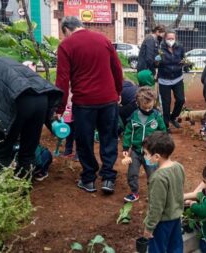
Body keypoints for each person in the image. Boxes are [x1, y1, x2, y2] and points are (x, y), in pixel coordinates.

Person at [55, 16, 123, 194]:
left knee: (84, 141)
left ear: (67, 30)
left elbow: (62, 79)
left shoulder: (66, 46)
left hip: (84, 102)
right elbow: (117, 68)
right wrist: (118, 92)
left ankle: (89, 180)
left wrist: (60, 108)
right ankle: (108, 178)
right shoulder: (103, 39)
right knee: (109, 137)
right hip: (108, 100)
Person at [122, 87, 166, 202]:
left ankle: (153, 193)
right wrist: (126, 147)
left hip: (151, 153)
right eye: (144, 107)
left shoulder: (156, 116)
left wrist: (160, 146)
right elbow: (128, 132)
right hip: (135, 151)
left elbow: (163, 131)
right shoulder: (134, 116)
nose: (147, 110)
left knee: (152, 174)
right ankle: (134, 192)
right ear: (138, 103)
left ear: (154, 103)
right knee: (132, 173)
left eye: (150, 107)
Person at [143, 132, 185, 253]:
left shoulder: (157, 178)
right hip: (176, 217)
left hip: (162, 222)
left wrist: (149, 227)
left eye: (146, 154)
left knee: (157, 248)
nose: (145, 157)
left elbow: (156, 207)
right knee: (175, 246)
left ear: (156, 156)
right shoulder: (178, 166)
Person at [156, 30, 186, 130]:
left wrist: (185, 64)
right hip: (164, 80)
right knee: (166, 103)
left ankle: (173, 118)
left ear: (175, 38)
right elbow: (154, 63)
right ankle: (166, 125)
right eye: (169, 38)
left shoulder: (180, 47)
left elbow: (183, 59)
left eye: (172, 38)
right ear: (165, 39)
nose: (171, 40)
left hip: (177, 78)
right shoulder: (160, 49)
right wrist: (156, 61)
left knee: (181, 99)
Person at [61, 92, 79, 161]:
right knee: (68, 131)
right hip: (67, 111)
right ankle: (68, 150)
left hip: (77, 109)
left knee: (78, 133)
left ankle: (78, 154)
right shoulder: (66, 86)